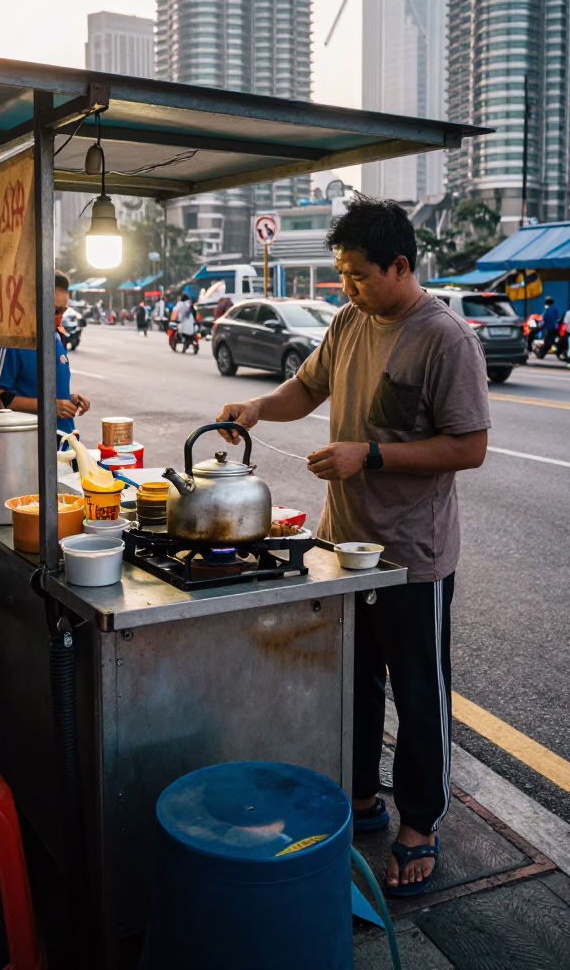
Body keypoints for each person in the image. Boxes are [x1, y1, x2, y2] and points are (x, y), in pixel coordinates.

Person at [216, 196, 490, 897]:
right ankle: (362, 798)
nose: (347, 288)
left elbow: (469, 447)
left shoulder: (444, 339)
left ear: (399, 266)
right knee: (355, 678)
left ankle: (420, 824)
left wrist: (367, 455)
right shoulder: (349, 320)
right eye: (341, 275)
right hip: (344, 546)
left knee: (419, 693)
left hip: (412, 557)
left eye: (358, 275)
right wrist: (253, 409)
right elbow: (305, 389)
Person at [0, 270, 90, 438]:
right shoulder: (13, 339)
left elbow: (40, 390)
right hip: (32, 443)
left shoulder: (57, 337)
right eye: (55, 310)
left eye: (63, 310)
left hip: (64, 439)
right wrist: (49, 406)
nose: (59, 317)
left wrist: (69, 399)